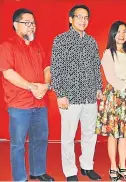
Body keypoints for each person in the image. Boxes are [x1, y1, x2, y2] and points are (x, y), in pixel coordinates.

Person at [0, 8, 54, 181]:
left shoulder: (38, 45)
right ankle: (20, 178)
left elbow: (47, 67)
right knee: (18, 145)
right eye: (27, 23)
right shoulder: (7, 46)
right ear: (16, 25)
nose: (31, 27)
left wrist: (45, 85)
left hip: (40, 103)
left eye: (33, 23)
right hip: (19, 105)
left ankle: (38, 172)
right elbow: (7, 72)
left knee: (40, 140)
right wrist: (32, 87)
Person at [51, 4, 102, 181]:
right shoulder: (61, 40)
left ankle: (87, 166)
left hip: (89, 96)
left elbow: (96, 67)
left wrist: (98, 88)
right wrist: (60, 94)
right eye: (79, 17)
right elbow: (56, 69)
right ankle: (70, 171)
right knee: (68, 136)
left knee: (90, 134)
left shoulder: (91, 41)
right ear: (70, 19)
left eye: (86, 17)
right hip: (69, 98)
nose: (83, 20)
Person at [95, 21, 126, 181]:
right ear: (113, 34)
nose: (122, 35)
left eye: (125, 32)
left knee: (125, 134)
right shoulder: (109, 53)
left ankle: (123, 166)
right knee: (113, 134)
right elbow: (111, 77)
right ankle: (113, 167)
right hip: (115, 96)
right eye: (118, 31)